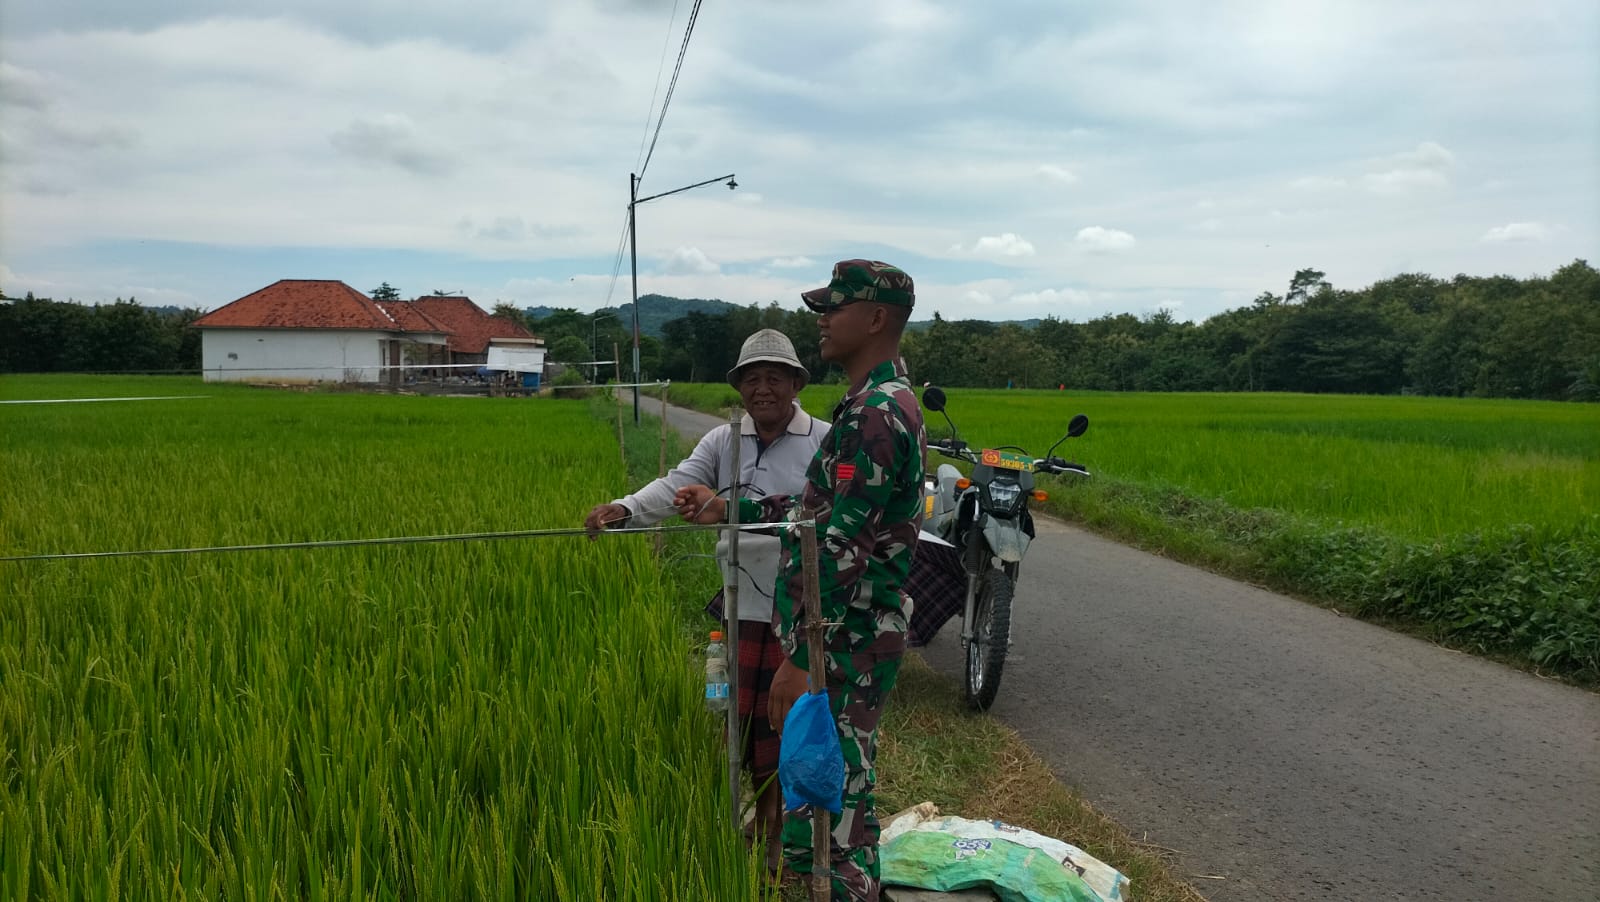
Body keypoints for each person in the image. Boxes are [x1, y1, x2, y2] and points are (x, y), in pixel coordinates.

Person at [674, 259, 926, 901]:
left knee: (821, 817)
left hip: (844, 644)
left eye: (833, 308)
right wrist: (732, 508)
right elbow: (819, 515)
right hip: (847, 638)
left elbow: (841, 546)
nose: (822, 320)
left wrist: (800, 656)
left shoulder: (876, 412)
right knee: (840, 800)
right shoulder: (872, 403)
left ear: (874, 319)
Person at [582, 328, 821, 874]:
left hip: (797, 611)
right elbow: (676, 485)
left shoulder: (823, 442)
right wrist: (623, 509)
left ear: (795, 384)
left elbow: (824, 522)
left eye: (774, 378)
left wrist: (728, 510)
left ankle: (775, 833)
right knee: (734, 722)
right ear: (739, 387)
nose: (763, 389)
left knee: (783, 727)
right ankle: (741, 828)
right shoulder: (723, 441)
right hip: (737, 607)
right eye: (752, 379)